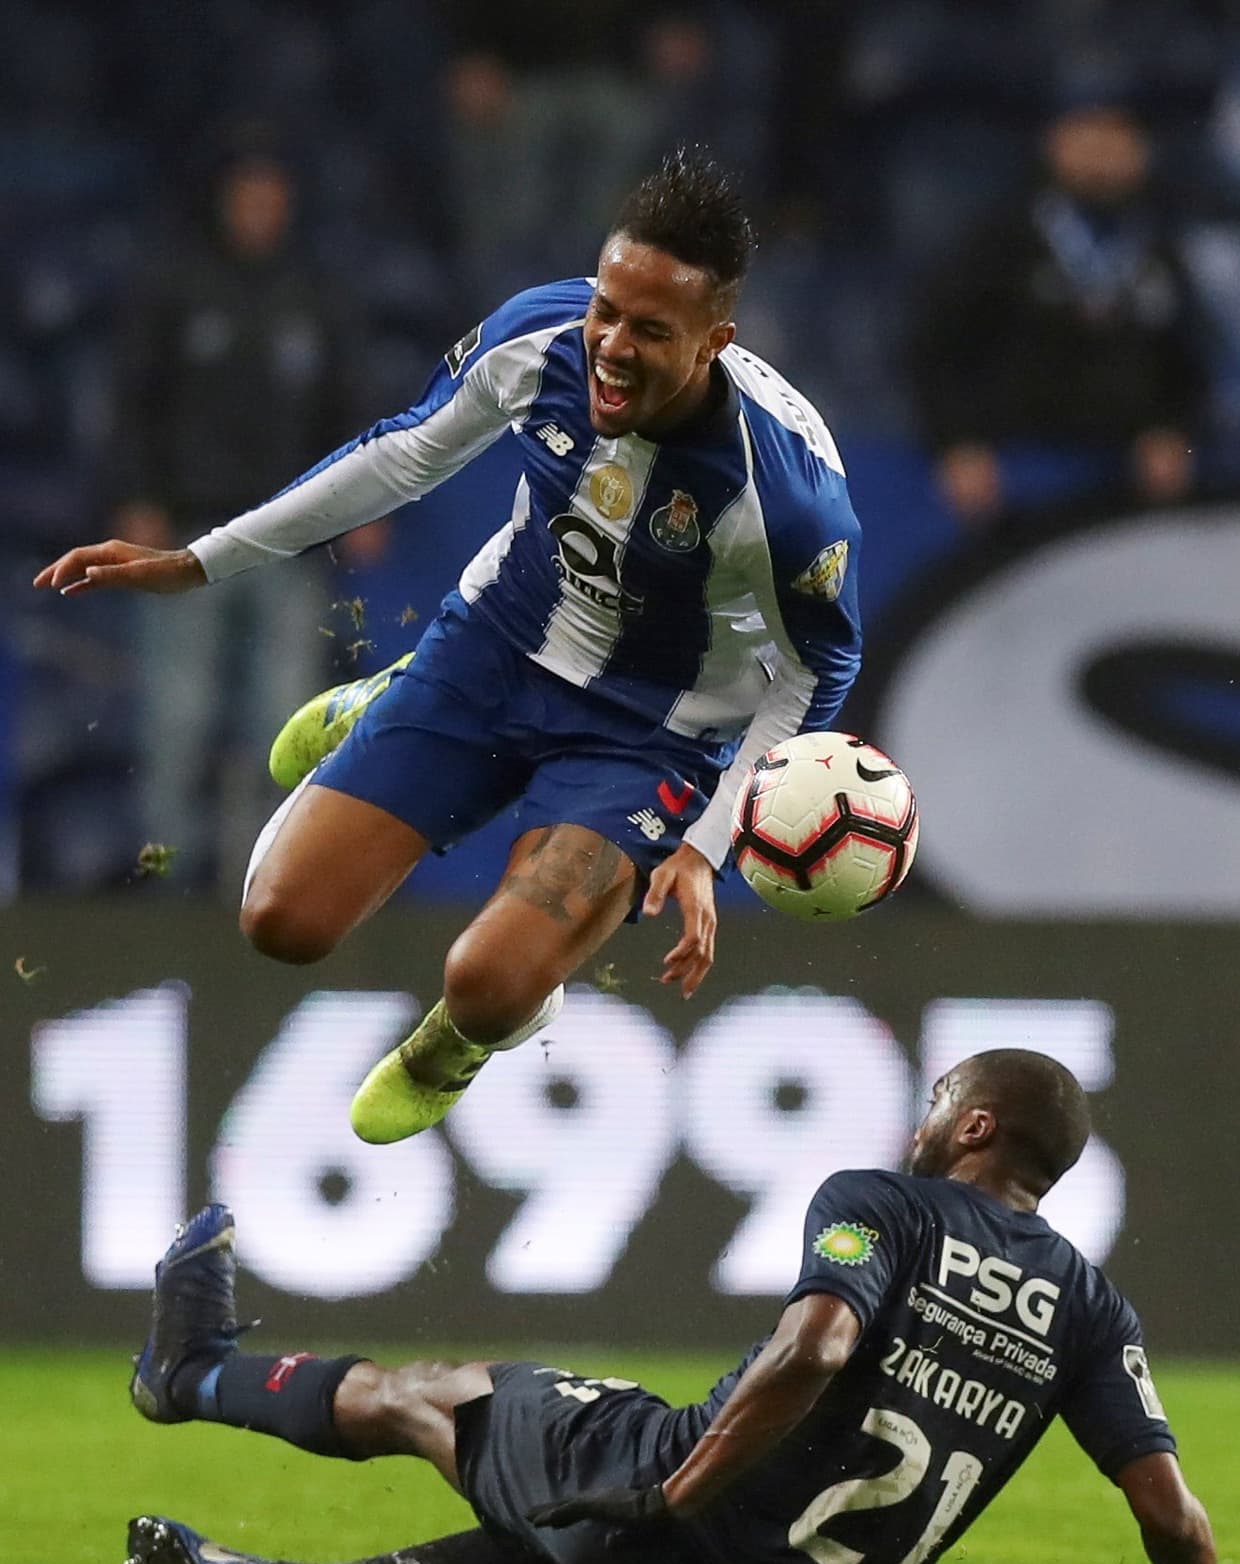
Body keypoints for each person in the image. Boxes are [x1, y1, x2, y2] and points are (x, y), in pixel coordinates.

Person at [36, 151, 863, 1144]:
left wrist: (707, 839)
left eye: (649, 330)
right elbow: (404, 450)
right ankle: (389, 697)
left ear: (712, 341)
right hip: (499, 647)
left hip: (652, 732)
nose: (609, 344)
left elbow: (819, 666)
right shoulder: (541, 338)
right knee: (280, 921)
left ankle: (460, 1042)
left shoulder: (786, 494)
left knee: (487, 981)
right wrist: (202, 561)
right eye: (606, 307)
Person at [122, 1050, 1240, 1564]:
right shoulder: (1090, 1304)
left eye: (935, 1098)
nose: (917, 1115)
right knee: (559, 1514)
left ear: (970, 1124)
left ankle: (192, 1370)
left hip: (685, 1523)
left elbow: (816, 1347)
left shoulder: (889, 1202)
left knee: (450, 1391)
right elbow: (1167, 1512)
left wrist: (671, 1489)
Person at [107, 135, 384, 885]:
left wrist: (362, 503)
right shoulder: (176, 286)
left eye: (273, 200)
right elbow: (135, 400)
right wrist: (137, 498)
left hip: (285, 541)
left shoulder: (314, 295)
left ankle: (264, 886)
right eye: (249, 198)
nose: (261, 213)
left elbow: (349, 414)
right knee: (178, 719)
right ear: (225, 201)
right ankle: (166, 883)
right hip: (189, 541)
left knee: (280, 722)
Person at [908, 97, 1202, 526]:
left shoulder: (1161, 242)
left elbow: (1188, 357)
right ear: (1055, 142)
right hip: (1014, 474)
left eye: (1119, 134)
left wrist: (1174, 430)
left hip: (1127, 478)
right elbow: (937, 348)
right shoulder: (1001, 240)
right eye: (1088, 131)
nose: (1104, 151)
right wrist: (957, 442)